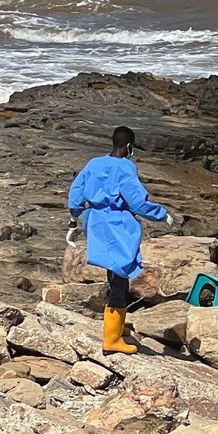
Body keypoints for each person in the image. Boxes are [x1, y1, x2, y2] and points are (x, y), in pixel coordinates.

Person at [67, 125, 174, 355]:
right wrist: (161, 214)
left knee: (114, 272)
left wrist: (74, 218)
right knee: (120, 276)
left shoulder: (94, 163)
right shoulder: (126, 168)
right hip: (116, 225)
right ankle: (112, 339)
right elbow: (137, 201)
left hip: (94, 221)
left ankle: (116, 327)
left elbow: (76, 192)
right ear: (129, 146)